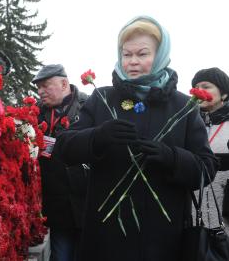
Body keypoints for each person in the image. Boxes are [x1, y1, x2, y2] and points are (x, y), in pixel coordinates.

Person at [53, 16, 218, 261]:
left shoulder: (184, 106)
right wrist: (97, 137)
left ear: (160, 54)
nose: (132, 62)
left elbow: (206, 168)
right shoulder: (102, 99)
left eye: (142, 54)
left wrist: (172, 158)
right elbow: (64, 149)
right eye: (126, 54)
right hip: (105, 241)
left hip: (164, 241)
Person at [32, 64, 89, 261]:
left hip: (86, 203)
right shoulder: (35, 113)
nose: (40, 92)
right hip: (57, 205)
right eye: (38, 87)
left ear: (64, 83)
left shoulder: (88, 107)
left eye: (45, 86)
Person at [192, 67, 229, 260]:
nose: (199, 90)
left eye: (206, 86)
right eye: (195, 87)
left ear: (224, 93)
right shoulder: (188, 124)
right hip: (194, 220)